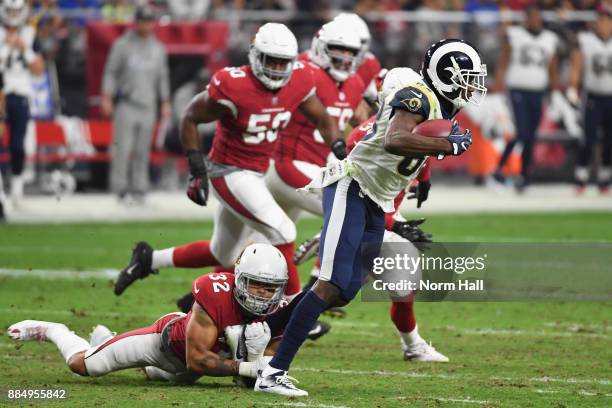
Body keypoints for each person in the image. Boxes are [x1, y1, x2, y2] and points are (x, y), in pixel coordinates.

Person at [255, 39, 485, 397]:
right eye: (467, 77)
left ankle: (258, 331)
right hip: (352, 185)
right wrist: (446, 146)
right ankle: (273, 371)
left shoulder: (439, 106)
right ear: (446, 75)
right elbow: (395, 140)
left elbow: (408, 152)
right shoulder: (418, 97)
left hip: (375, 199)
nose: (472, 86)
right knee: (329, 284)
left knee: (344, 290)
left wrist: (425, 174)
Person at [112, 23, 345, 306]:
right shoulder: (234, 85)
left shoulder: (299, 80)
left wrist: (337, 145)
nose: (276, 68)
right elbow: (190, 117)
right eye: (270, 60)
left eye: (282, 62)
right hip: (228, 172)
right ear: (255, 56)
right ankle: (294, 310)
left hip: (256, 173)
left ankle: (149, 259)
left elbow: (323, 118)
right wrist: (196, 168)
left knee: (222, 254)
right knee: (284, 231)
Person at [7, 244, 288, 384]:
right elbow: (197, 359)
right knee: (84, 366)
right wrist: (248, 366)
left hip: (187, 373)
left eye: (270, 289)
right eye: (257, 285)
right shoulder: (214, 292)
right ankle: (53, 329)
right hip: (165, 344)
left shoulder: (278, 313)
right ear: (239, 280)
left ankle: (109, 339)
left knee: (154, 375)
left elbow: (256, 381)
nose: (263, 295)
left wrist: (256, 359)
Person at [101, 6, 171, 204]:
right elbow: (110, 72)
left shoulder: (158, 48)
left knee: (142, 150)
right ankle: (119, 188)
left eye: (149, 21)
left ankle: (140, 189)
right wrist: (106, 96)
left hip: (149, 105)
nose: (146, 25)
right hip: (127, 103)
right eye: (143, 21)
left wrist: (165, 100)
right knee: (122, 149)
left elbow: (162, 77)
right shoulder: (122, 44)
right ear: (136, 21)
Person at [491, 6, 560, 192]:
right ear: (525, 18)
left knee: (530, 136)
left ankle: (524, 176)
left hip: (537, 92)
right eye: (531, 17)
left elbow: (552, 68)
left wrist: (555, 92)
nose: (534, 21)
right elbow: (503, 61)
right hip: (517, 91)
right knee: (521, 133)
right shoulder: (515, 35)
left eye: (537, 17)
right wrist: (498, 86)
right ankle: (499, 171)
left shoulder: (549, 39)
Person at [0, 0, 44, 205]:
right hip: (1, 92)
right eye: (9, 10)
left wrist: (25, 49)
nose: (13, 14)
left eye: (16, 10)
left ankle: (17, 188)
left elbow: (39, 70)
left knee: (18, 145)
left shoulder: (29, 33)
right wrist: (6, 48)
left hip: (21, 94)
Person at [568, 5, 612, 194]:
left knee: (609, 140)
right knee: (588, 137)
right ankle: (581, 176)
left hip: (610, 97)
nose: (603, 24)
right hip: (592, 96)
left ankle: (604, 177)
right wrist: (573, 87)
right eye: (600, 19)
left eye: (606, 20)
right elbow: (577, 65)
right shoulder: (586, 40)